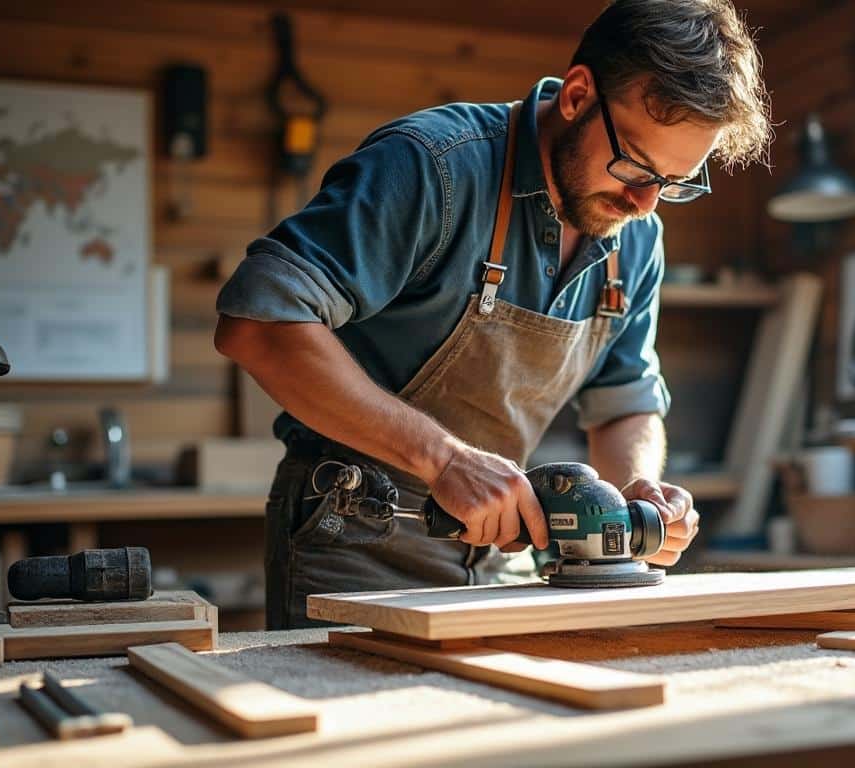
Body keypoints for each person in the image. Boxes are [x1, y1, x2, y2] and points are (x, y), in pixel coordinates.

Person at [214, 0, 772, 628]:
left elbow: (624, 399)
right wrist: (446, 460)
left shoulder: (637, 235)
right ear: (578, 95)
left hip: (505, 548)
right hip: (357, 533)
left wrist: (637, 494)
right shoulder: (435, 167)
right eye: (635, 166)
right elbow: (258, 321)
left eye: (674, 182)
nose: (645, 203)